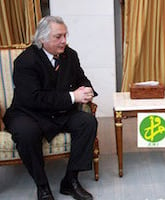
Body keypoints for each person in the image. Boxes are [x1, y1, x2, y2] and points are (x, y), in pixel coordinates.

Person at [3, 16, 98, 200]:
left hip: (59, 111)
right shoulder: (26, 61)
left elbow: (81, 79)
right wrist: (72, 96)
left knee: (87, 122)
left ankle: (70, 181)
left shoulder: (70, 55)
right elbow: (34, 98)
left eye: (65, 35)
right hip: (29, 113)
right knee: (26, 133)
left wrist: (87, 91)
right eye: (58, 37)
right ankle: (43, 186)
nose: (64, 41)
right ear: (42, 39)